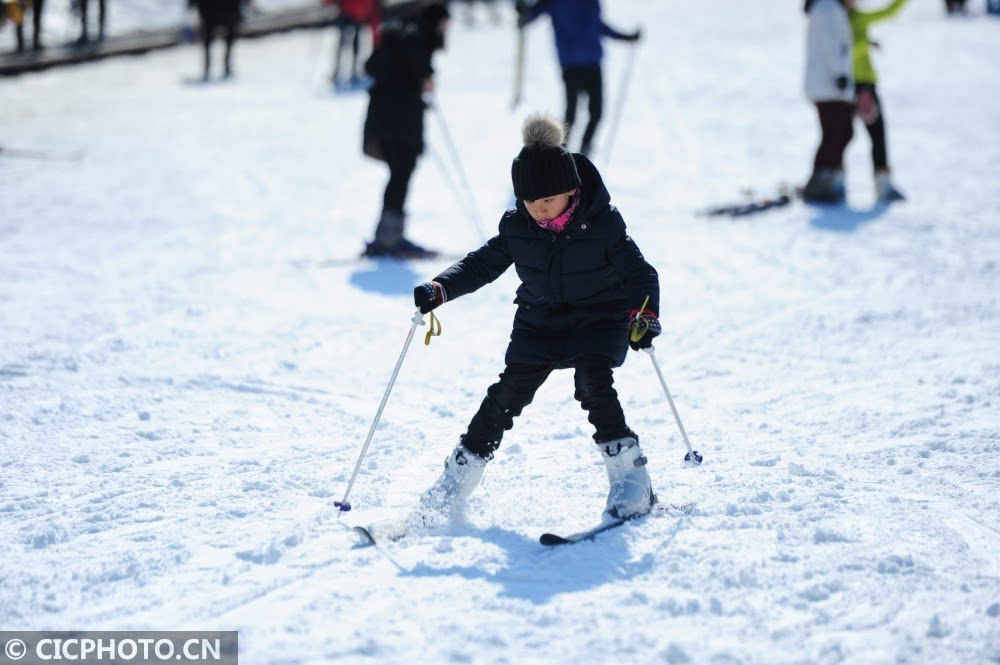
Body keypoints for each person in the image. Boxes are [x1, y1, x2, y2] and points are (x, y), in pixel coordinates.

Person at [403, 113, 661, 531]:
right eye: (530, 201)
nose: (539, 209)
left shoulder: (603, 224)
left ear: (572, 191)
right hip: (540, 323)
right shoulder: (518, 227)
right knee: (505, 395)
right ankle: (456, 480)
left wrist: (644, 314)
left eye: (549, 200)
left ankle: (632, 480)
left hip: (599, 318)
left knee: (593, 385)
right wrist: (441, 288)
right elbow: (483, 264)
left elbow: (640, 274)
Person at [361, 1, 450, 258]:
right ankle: (390, 236)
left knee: (399, 173)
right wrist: (425, 75)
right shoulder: (413, 35)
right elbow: (412, 64)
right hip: (399, 119)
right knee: (401, 171)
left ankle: (386, 233)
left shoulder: (397, 32)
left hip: (386, 115)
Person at [516, 0, 640, 157]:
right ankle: (558, 156)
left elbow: (597, 25)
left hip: (593, 64)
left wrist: (625, 37)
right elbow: (533, 14)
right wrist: (524, 12)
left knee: (596, 113)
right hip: (571, 65)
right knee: (571, 116)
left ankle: (583, 154)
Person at [847, 0, 908, 202]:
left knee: (878, 135)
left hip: (866, 86)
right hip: (850, 86)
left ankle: (883, 184)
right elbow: (844, 51)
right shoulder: (836, 21)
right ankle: (832, 180)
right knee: (841, 137)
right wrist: (866, 44)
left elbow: (887, 12)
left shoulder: (860, 18)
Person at [802, 0, 854, 204]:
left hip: (827, 84)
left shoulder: (829, 7)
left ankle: (829, 178)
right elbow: (831, 45)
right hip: (828, 85)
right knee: (837, 134)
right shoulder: (827, 8)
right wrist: (840, 73)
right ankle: (821, 182)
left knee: (839, 133)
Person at [189, 0, 248, 80]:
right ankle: (224, 67)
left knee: (210, 42)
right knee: (226, 40)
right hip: (226, 10)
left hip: (212, 11)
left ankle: (211, 69)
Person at [327, 0, 379, 88]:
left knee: (352, 44)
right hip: (349, 13)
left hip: (355, 13)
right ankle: (339, 73)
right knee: (346, 44)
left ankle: (350, 72)